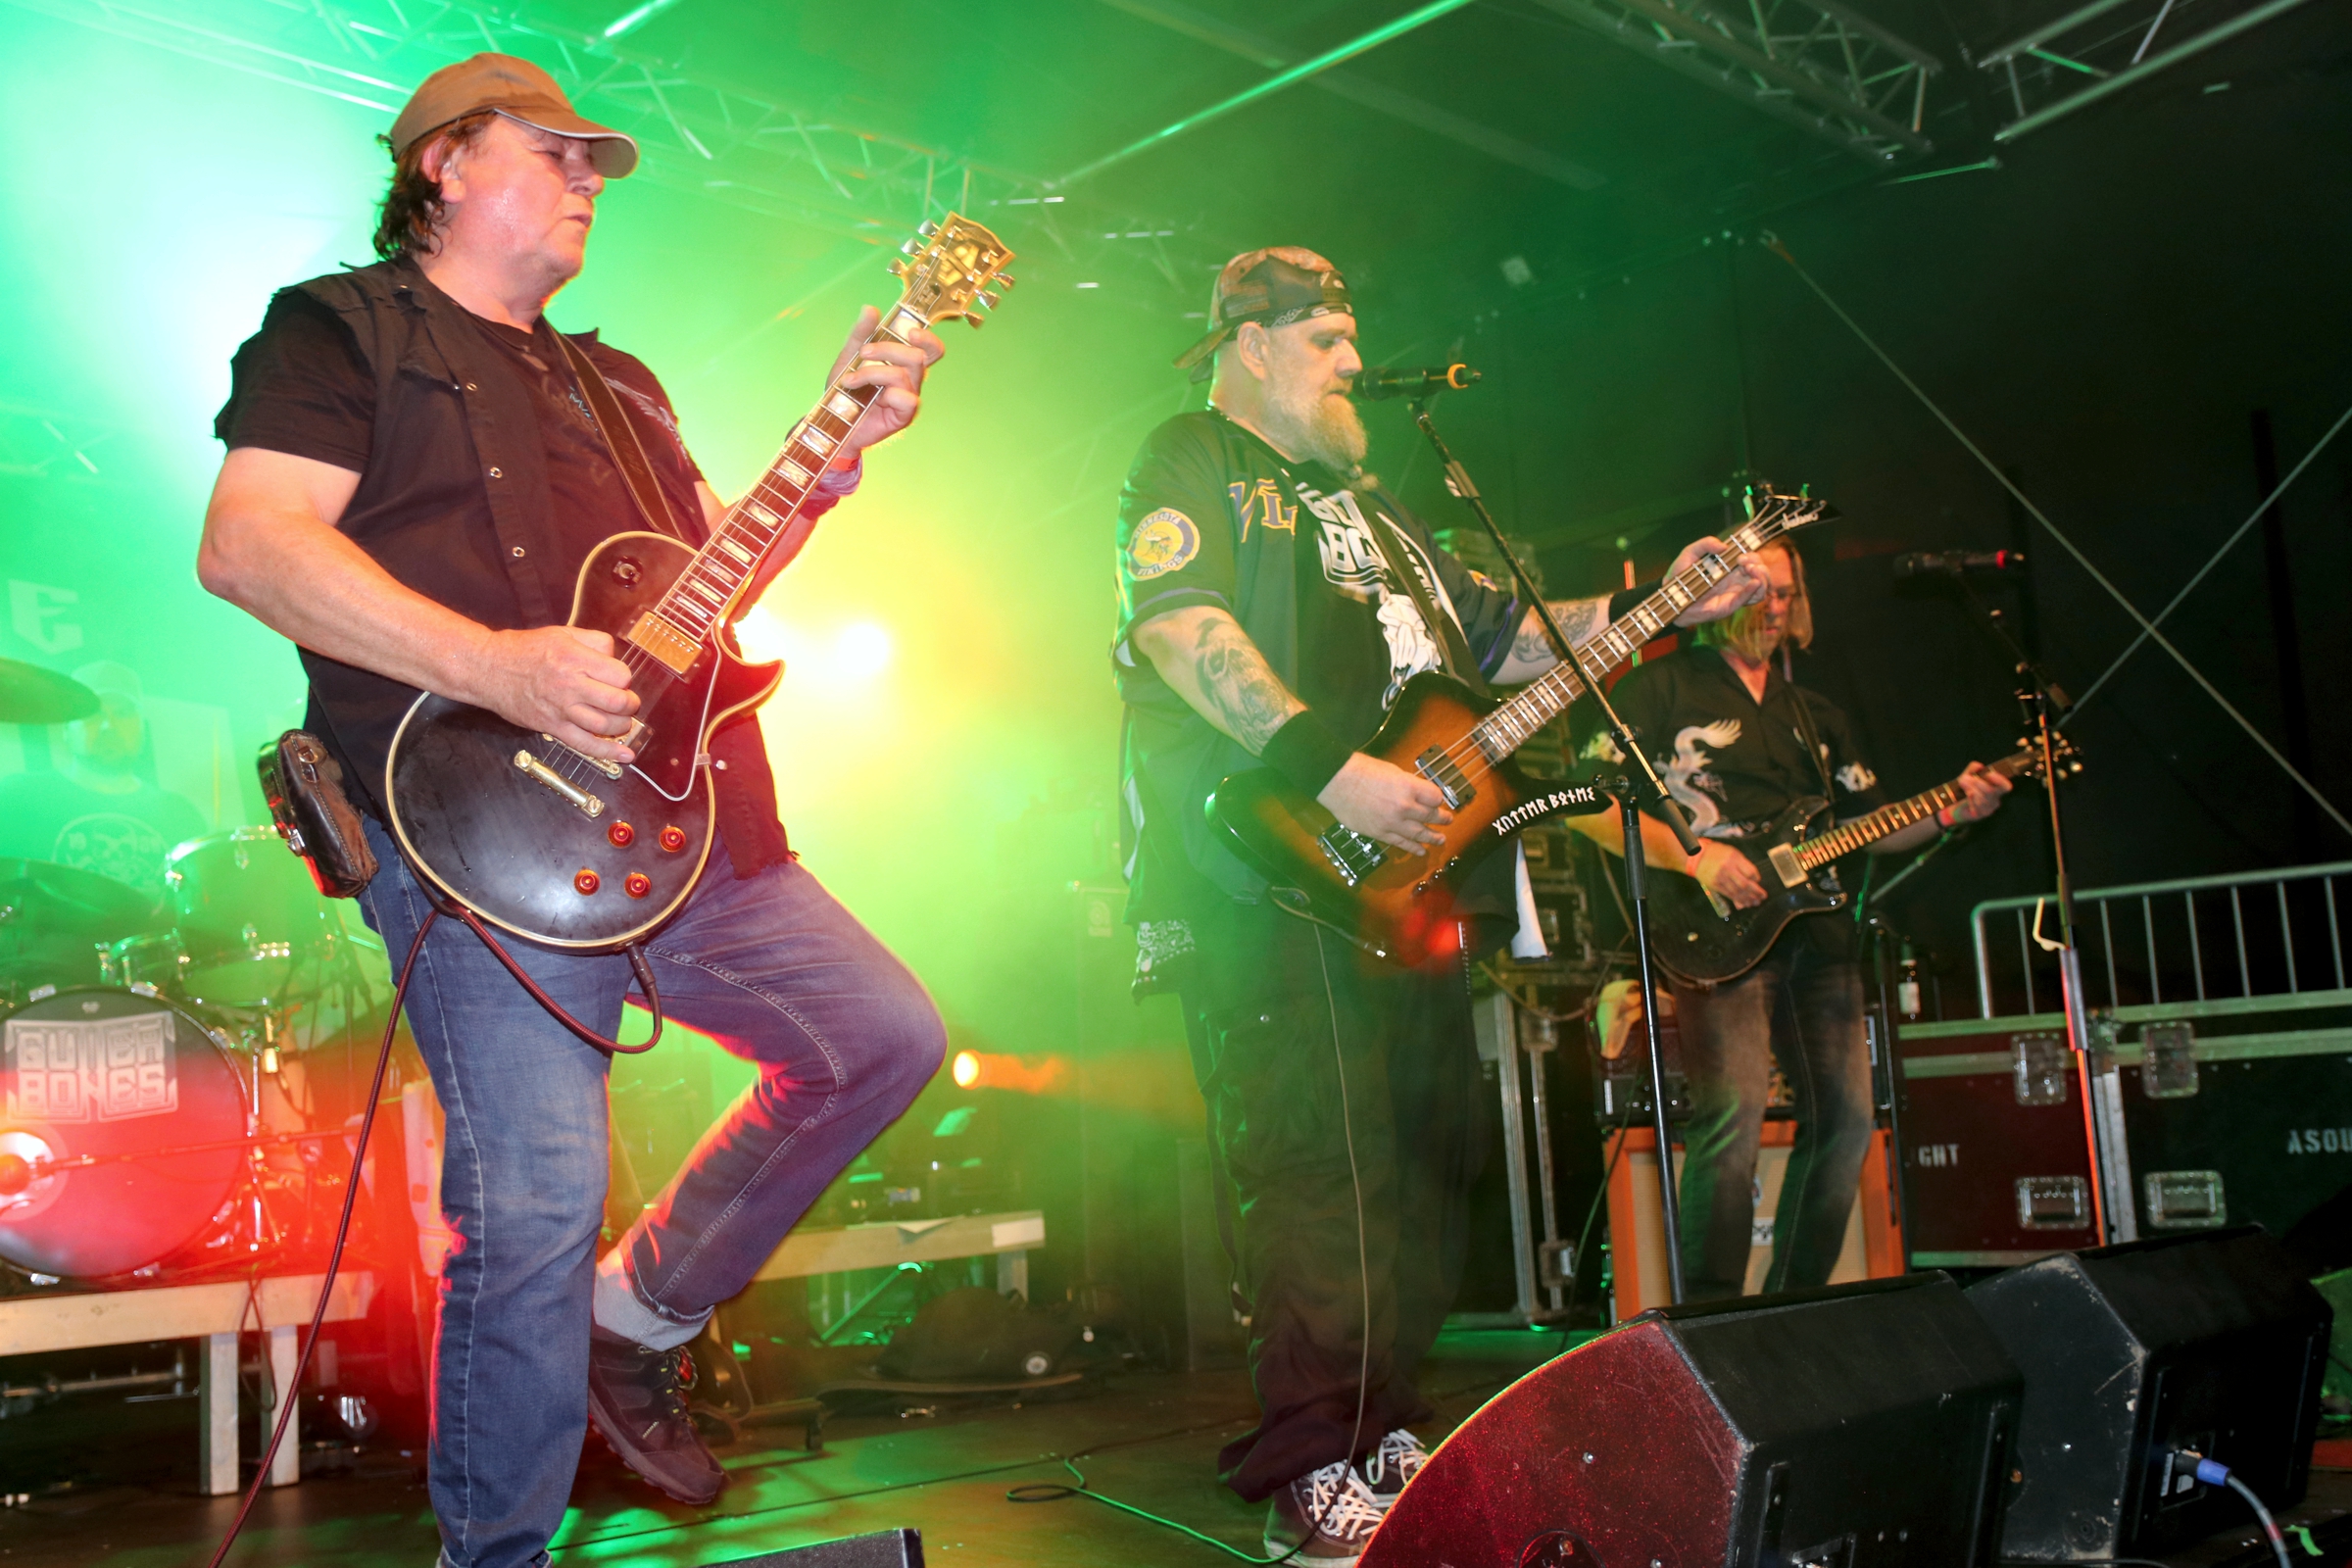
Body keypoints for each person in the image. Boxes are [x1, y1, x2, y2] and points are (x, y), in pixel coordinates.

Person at [196, 55, 948, 1568]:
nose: (590, 178)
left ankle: (638, 1317)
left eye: (596, 162)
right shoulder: (336, 329)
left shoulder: (623, 384)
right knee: (536, 1199)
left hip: (686, 827)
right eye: (557, 152)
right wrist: (495, 666)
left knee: (881, 1038)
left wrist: (830, 454)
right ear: (445, 164)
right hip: (478, 840)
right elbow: (250, 545)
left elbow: (700, 588)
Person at [1112, 246, 1766, 1566]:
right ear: (1250, 345)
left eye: (1354, 338)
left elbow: (1517, 640)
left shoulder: (1384, 511)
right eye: (1327, 340)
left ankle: (1383, 1426)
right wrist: (1332, 769)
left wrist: (1664, 602)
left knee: (1419, 1163)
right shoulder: (1191, 456)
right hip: (1270, 867)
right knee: (1316, 1164)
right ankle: (1311, 1463)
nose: (1355, 364)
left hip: (1407, 890)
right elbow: (1179, 629)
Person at [1578, 536, 2009, 1299]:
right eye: (1758, 592)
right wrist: (1697, 859)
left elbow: (1871, 824)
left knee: (1847, 1122)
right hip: (1717, 932)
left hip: (1820, 936)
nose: (1773, 608)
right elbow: (1586, 808)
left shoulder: (1816, 714)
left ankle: (1796, 1302)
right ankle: (1714, 1316)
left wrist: (1952, 810)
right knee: (1733, 1122)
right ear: (1720, 598)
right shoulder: (1656, 690)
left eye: (1785, 593)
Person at [0, 660, 207, 904]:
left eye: (123, 713)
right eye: (93, 714)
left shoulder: (180, 814)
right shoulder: (17, 798)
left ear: (142, 727)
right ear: (66, 728)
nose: (109, 725)